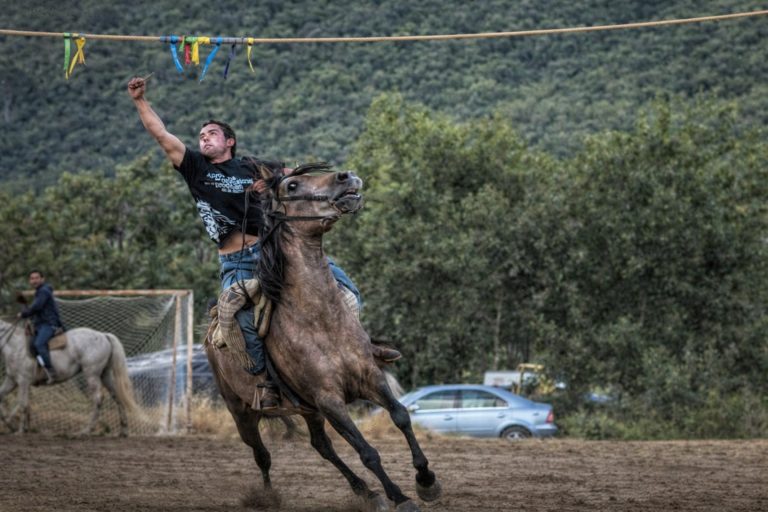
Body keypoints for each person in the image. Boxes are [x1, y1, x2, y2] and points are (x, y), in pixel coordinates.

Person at [127, 76, 397, 410]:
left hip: (276, 252)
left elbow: (296, 179)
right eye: (201, 135)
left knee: (345, 289)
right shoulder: (196, 168)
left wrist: (314, 185)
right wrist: (140, 101)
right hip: (237, 262)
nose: (203, 138)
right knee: (234, 317)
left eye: (210, 133)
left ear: (230, 141)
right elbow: (162, 135)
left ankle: (364, 349)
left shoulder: (253, 166)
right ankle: (265, 383)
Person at [19, 270, 64, 384]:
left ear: (42, 279)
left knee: (39, 344)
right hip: (41, 324)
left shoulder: (43, 291)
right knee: (32, 346)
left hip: (50, 324)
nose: (34, 280)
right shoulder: (39, 292)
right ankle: (41, 369)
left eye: (36, 278)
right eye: (32, 278)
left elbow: (37, 307)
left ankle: (51, 372)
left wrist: (23, 314)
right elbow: (36, 310)